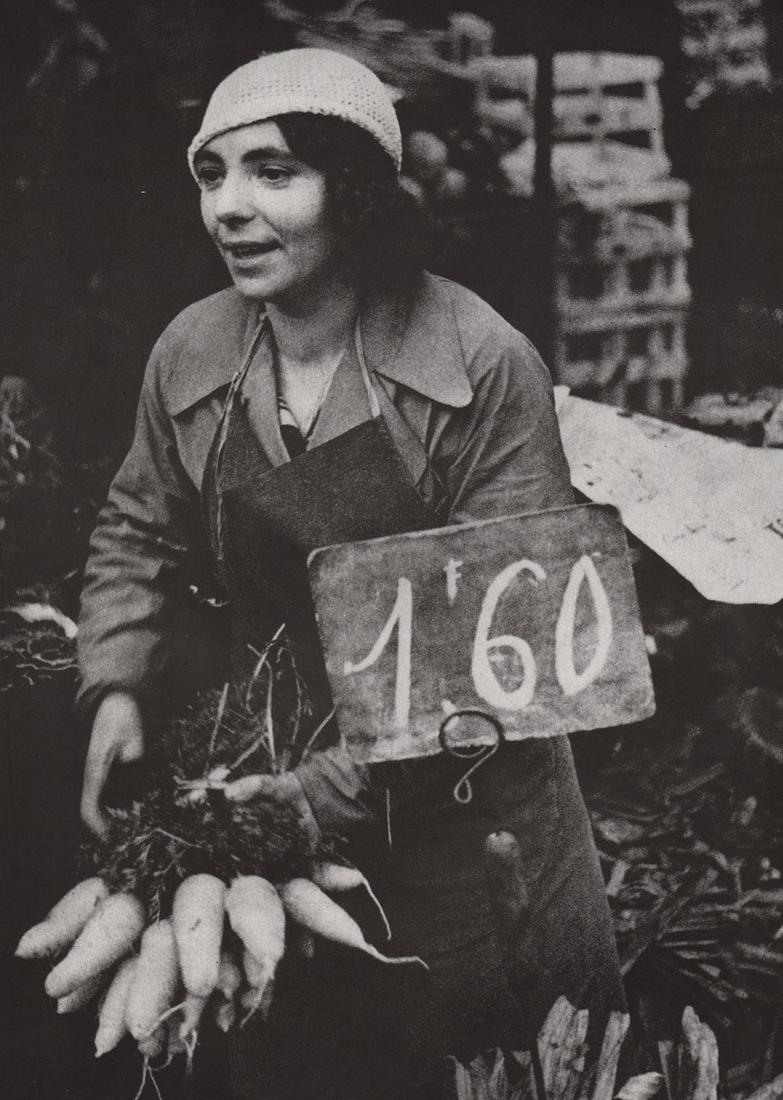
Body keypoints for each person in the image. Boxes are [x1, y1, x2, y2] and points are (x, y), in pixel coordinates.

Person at [77, 47, 625, 1100]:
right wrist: (117, 678)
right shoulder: (192, 353)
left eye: (275, 171)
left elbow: (498, 653)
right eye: (212, 174)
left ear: (358, 190)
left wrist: (308, 801)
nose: (231, 208)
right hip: (286, 795)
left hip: (474, 825)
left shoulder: (478, 363)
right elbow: (138, 521)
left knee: (497, 1066)